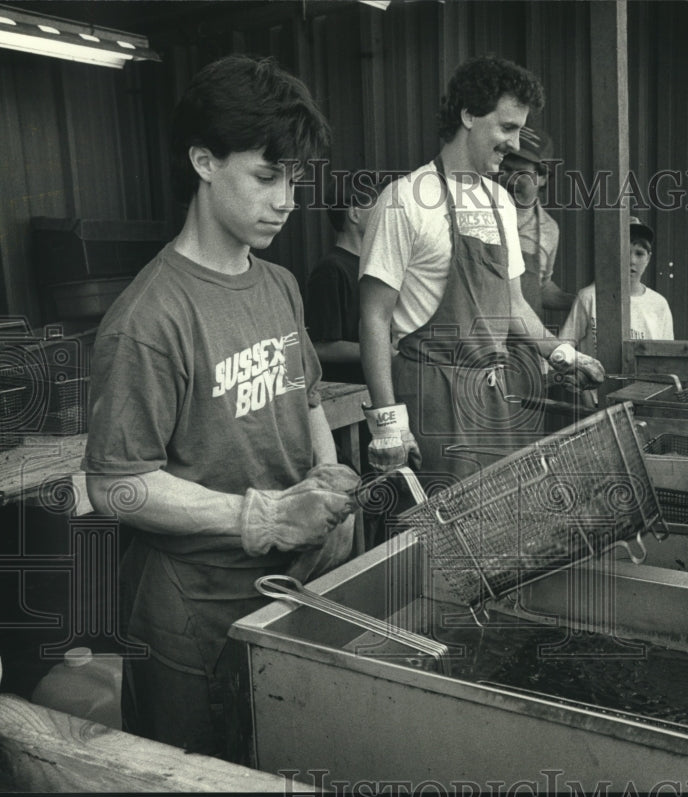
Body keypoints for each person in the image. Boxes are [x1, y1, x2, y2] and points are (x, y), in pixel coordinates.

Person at [82, 54, 360, 758]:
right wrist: (262, 517)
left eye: (294, 180)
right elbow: (115, 483)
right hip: (191, 616)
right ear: (204, 162)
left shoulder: (280, 285)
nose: (286, 200)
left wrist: (323, 481)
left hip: (284, 593)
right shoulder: (149, 317)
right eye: (266, 176)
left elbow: (307, 400)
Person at [358, 55, 605, 483]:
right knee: (434, 533)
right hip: (429, 393)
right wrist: (388, 426)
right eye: (507, 127)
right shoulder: (405, 199)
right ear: (468, 114)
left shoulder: (500, 203)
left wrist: (562, 352)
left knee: (493, 524)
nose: (514, 143)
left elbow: (512, 306)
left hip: (491, 394)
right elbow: (373, 318)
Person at [559, 217, 673, 406]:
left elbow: (665, 362)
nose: (632, 261)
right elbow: (564, 345)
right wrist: (583, 389)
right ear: (612, 254)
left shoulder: (658, 304)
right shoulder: (589, 297)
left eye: (639, 253)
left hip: (643, 403)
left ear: (648, 258)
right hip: (596, 403)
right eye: (625, 252)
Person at [495, 126, 575, 315]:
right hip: (481, 336)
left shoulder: (549, 229)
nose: (512, 180)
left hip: (523, 339)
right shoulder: (479, 213)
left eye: (522, 173)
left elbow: (541, 288)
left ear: (542, 177)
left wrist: (582, 302)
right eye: (506, 169)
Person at [304, 175, 374, 385]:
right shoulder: (331, 270)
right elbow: (319, 346)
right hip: (350, 400)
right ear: (354, 213)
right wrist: (381, 350)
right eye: (378, 207)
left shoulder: (374, 265)